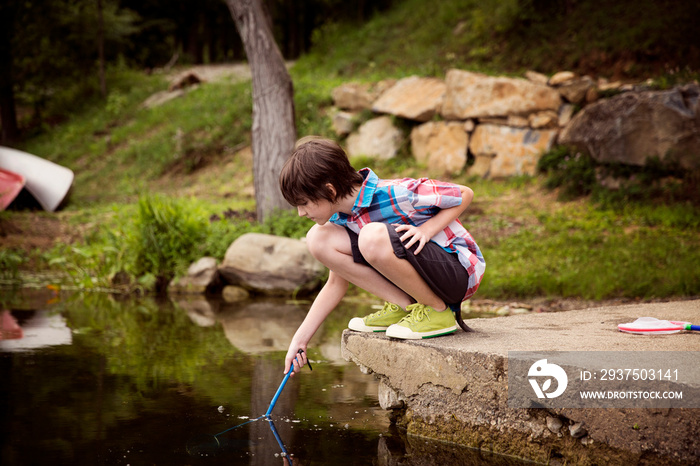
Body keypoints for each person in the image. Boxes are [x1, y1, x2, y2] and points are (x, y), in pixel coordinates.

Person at [279, 136, 485, 376]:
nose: (300, 213)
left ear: (330, 190)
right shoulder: (343, 217)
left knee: (371, 236)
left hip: (456, 272)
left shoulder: (397, 193)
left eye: (304, 203)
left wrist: (425, 231)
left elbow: (464, 193)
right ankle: (405, 307)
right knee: (318, 238)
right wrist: (300, 340)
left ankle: (438, 312)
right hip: (422, 276)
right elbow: (336, 283)